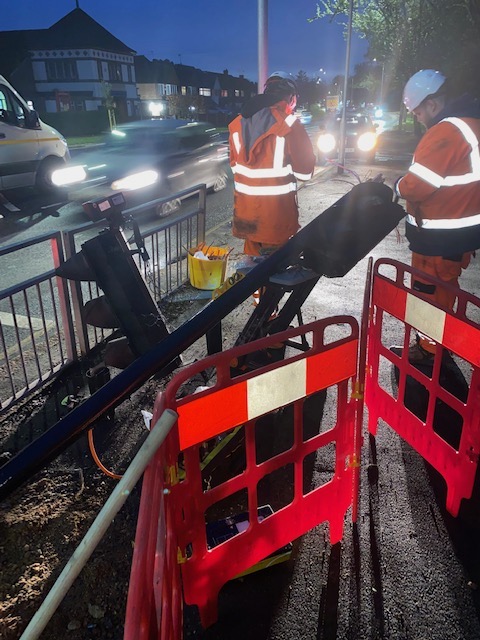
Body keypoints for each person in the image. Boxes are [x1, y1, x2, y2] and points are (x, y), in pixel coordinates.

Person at [395, 69, 480, 362]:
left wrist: (397, 186)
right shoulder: (472, 125)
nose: (418, 118)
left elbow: (416, 186)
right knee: (445, 291)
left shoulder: (447, 131)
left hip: (438, 238)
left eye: (418, 112)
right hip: (457, 235)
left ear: (432, 104)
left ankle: (429, 355)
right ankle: (438, 346)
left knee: (428, 296)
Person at [228, 71, 316, 260]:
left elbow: (235, 168)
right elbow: (305, 172)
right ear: (291, 98)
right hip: (276, 219)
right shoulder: (290, 124)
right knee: (274, 275)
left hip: (246, 217)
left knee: (252, 274)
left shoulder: (237, 124)